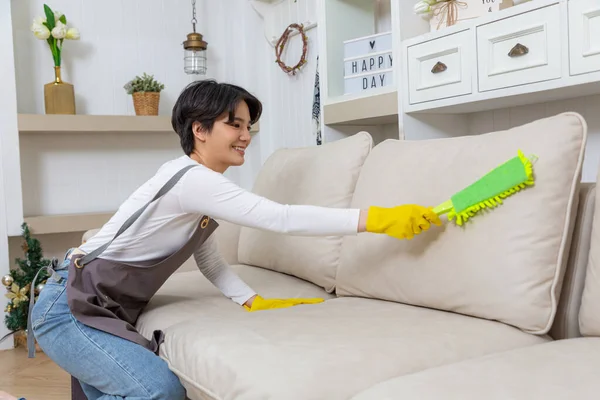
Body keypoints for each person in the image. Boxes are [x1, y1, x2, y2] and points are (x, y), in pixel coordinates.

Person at [23, 79, 442, 400]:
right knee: (158, 391)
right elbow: (279, 217)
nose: (245, 135)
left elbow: (206, 258)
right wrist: (376, 218)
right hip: (69, 308)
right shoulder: (193, 180)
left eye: (248, 126)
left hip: (94, 306)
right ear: (199, 129)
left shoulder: (197, 187)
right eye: (233, 124)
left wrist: (248, 298)